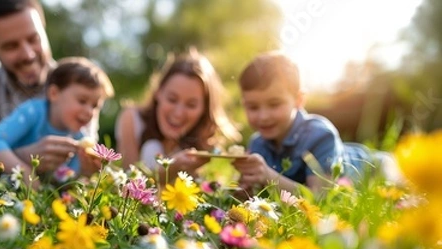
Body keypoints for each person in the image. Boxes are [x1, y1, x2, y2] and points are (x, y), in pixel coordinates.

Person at [0, 0, 88, 177]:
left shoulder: (76, 88)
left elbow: (86, 155)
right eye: (11, 46)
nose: (28, 55)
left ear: (44, 30)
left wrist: (87, 169)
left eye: (33, 39)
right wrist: (19, 158)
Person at [232, 51, 402, 194]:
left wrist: (268, 176)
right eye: (253, 107)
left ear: (299, 100)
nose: (263, 116)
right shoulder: (257, 143)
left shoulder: (320, 134)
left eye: (274, 104)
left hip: (379, 166)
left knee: (398, 187)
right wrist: (244, 188)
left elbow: (320, 197)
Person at [0, 57, 114, 184]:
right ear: (54, 94)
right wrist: (27, 176)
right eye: (82, 101)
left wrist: (85, 174)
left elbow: (65, 184)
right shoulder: (33, 112)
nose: (90, 112)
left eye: (95, 106)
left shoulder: (79, 138)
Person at [115, 48, 241, 181]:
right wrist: (172, 169)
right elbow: (129, 182)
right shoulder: (132, 119)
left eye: (191, 105)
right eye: (172, 99)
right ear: (158, 92)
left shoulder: (204, 144)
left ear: (204, 109)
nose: (179, 113)